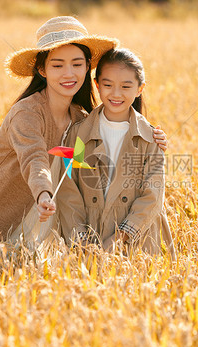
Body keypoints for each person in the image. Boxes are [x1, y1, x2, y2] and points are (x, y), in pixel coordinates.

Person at [0, 17, 167, 251]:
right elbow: (33, 158)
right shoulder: (27, 113)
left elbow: (95, 164)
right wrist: (44, 193)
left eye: (77, 64)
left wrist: (152, 138)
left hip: (16, 226)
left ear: (88, 67)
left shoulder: (80, 120)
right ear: (41, 69)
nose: (69, 73)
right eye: (57, 65)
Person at [56, 48, 176, 259]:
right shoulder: (78, 134)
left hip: (137, 244)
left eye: (126, 86)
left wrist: (118, 239)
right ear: (97, 85)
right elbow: (68, 189)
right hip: (86, 242)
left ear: (140, 89)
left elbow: (152, 195)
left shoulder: (151, 138)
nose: (116, 93)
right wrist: (81, 240)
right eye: (108, 85)